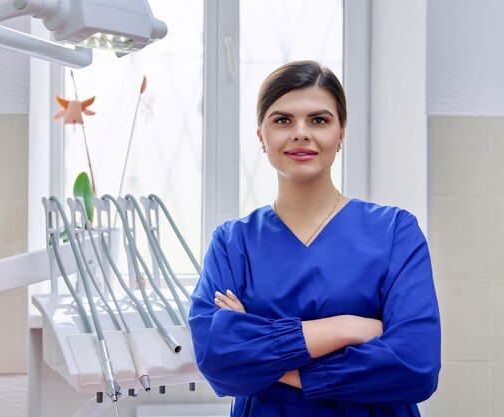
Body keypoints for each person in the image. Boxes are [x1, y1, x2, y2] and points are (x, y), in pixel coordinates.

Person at [188, 60, 441, 417]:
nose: (301, 133)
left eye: (319, 120)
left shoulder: (395, 232)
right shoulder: (233, 243)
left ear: (341, 133)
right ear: (261, 135)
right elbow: (218, 357)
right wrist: (348, 327)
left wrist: (267, 355)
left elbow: (415, 365)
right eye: (282, 120)